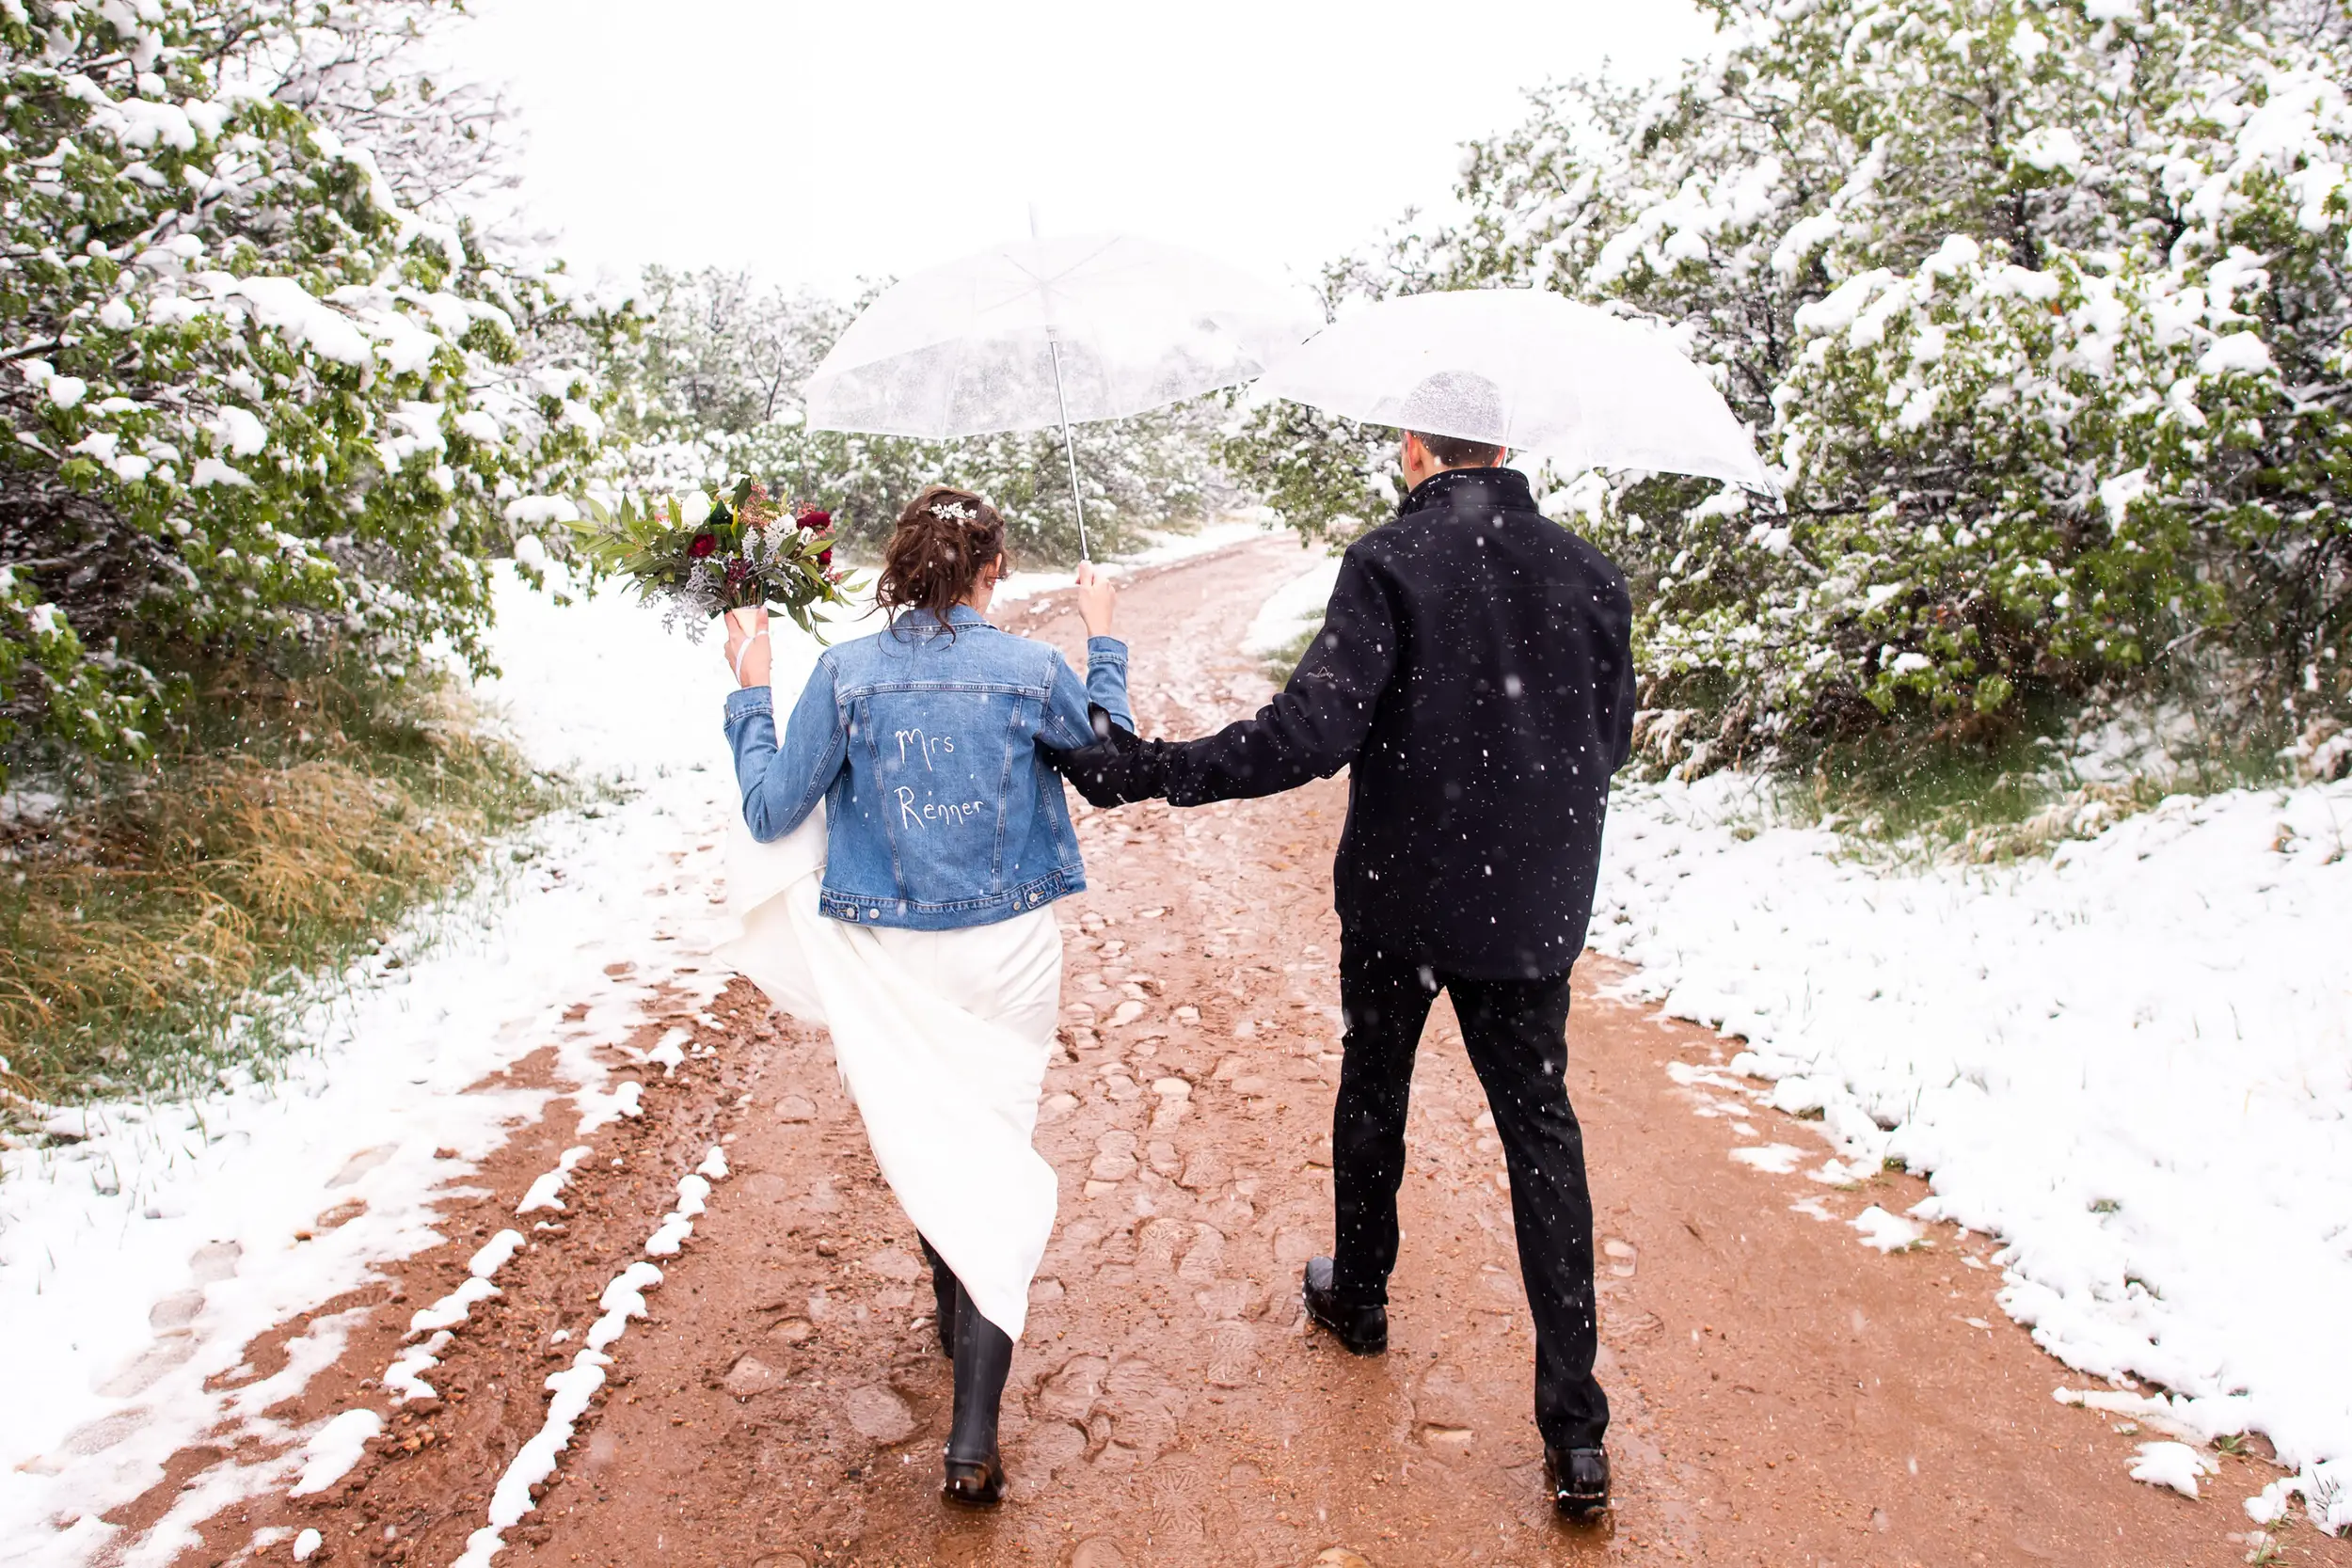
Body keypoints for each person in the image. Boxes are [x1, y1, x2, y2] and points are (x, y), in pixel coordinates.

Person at [1052, 421, 1635, 1519]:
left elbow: (1308, 734)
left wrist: (1155, 771)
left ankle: (1359, 1294)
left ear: (1414, 448)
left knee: (1375, 1086)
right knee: (1542, 1137)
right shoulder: (1588, 571)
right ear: (1501, 446)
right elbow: (1608, 738)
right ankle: (1575, 1430)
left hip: (1402, 904)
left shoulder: (1388, 561)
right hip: (1527, 915)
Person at [718, 484, 1128, 1507]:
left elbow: (772, 811)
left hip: (888, 952)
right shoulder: (1033, 670)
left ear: (897, 567)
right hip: (1009, 949)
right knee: (988, 1139)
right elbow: (1116, 765)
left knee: (927, 1123)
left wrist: (748, 692)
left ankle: (957, 1315)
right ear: (994, 569)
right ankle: (971, 1433)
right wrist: (1102, 639)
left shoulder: (846, 672)